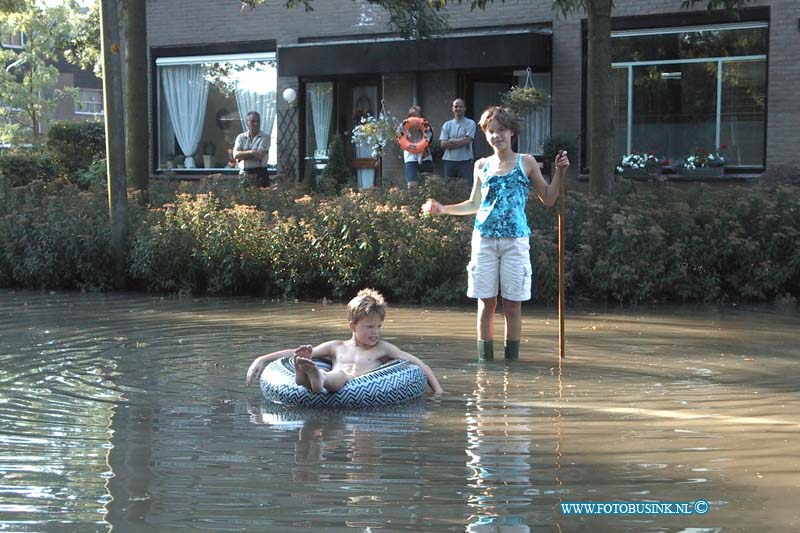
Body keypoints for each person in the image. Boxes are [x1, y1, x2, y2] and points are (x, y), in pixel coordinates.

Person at [422, 106, 570, 361]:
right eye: (491, 131)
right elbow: (474, 204)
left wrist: (559, 173)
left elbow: (548, 198)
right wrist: (443, 209)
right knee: (486, 304)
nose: (496, 135)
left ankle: (511, 363)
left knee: (512, 305)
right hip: (484, 241)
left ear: (512, 132)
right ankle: (485, 364)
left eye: (501, 130)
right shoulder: (481, 165)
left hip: (515, 242)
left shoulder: (526, 162)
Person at [245, 288, 444, 394]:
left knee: (340, 376)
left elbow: (420, 365)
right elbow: (295, 352)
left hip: (358, 384)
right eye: (369, 327)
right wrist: (263, 359)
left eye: (378, 327)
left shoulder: (383, 349)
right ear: (353, 326)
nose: (375, 332)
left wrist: (438, 392)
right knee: (331, 372)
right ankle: (307, 375)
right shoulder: (336, 347)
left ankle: (316, 378)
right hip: (334, 377)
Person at [396, 105, 434, 189]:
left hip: (425, 158)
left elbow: (429, 140)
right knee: (412, 186)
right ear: (409, 117)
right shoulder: (403, 129)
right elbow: (400, 141)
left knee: (428, 187)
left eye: (417, 115)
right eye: (413, 116)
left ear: (421, 117)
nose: (415, 118)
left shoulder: (427, 128)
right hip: (411, 159)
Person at [439, 98, 477, 182]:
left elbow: (467, 140)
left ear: (465, 108)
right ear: (452, 109)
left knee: (464, 188)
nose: (458, 109)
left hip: (465, 161)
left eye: (461, 107)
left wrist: (452, 141)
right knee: (449, 188)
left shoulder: (470, 123)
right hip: (449, 161)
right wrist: (461, 141)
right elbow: (443, 144)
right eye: (456, 107)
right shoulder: (447, 124)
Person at [233, 111, 270, 187]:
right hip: (244, 174)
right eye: (253, 121)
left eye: (258, 121)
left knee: (261, 198)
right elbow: (236, 155)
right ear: (247, 123)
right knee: (243, 198)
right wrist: (252, 152)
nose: (256, 124)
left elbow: (260, 156)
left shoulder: (265, 137)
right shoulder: (240, 137)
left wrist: (242, 156)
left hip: (260, 174)